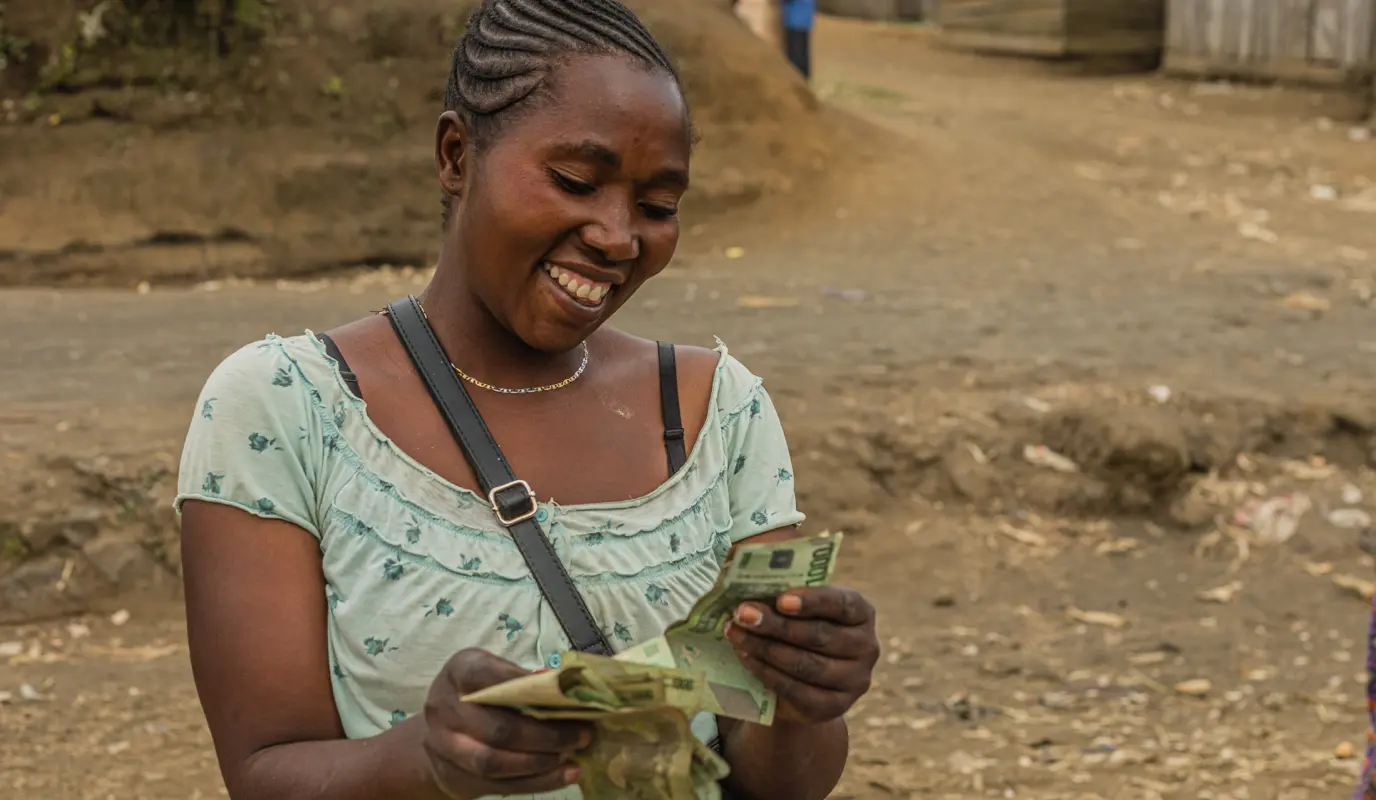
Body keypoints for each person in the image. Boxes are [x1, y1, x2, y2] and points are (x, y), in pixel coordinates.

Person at [174, 1, 880, 798]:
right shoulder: (286, 408)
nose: (618, 236)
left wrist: (805, 698)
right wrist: (424, 760)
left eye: (658, 206)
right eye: (576, 181)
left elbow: (776, 784)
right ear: (455, 155)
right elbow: (265, 771)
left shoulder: (718, 413)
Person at [782, 0, 815, 79]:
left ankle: (797, 79)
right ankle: (804, 79)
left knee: (796, 54)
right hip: (803, 20)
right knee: (803, 52)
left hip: (795, 20)